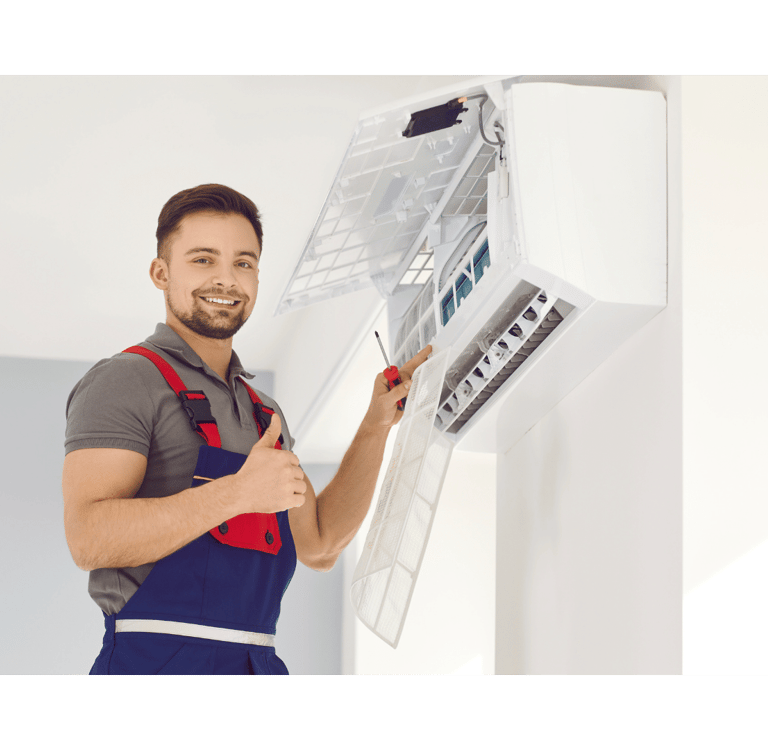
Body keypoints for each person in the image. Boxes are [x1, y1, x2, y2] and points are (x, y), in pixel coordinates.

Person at [62, 183, 431, 676]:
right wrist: (237, 494)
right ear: (160, 272)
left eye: (244, 263)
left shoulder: (263, 413)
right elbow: (89, 540)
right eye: (202, 259)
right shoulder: (125, 380)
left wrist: (375, 424)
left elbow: (319, 544)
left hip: (256, 667)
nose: (226, 278)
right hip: (152, 667)